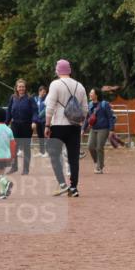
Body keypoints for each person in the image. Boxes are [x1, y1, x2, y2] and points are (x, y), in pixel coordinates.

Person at [44, 59, 87, 197]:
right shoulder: (80, 86)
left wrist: (47, 125)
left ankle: (62, 184)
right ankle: (73, 188)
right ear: (69, 70)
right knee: (73, 158)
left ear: (57, 71)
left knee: (54, 155)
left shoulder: (55, 84)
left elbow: (50, 107)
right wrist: (80, 123)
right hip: (74, 126)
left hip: (58, 125)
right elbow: (85, 109)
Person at [6, 78, 35, 175]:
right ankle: (14, 167)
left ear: (25, 88)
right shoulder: (13, 97)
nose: (21, 88)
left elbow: (35, 111)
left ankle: (26, 169)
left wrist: (34, 121)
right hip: (15, 125)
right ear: (16, 88)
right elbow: (9, 111)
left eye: (23, 87)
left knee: (26, 147)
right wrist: (5, 124)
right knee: (14, 147)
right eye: (19, 87)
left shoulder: (30, 98)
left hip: (27, 125)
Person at [86, 89, 115, 173]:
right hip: (93, 128)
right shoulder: (90, 104)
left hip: (103, 128)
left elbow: (110, 117)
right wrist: (83, 129)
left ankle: (99, 167)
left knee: (99, 147)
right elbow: (88, 117)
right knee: (90, 146)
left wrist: (111, 129)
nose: (90, 94)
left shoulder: (104, 104)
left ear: (96, 95)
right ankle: (98, 162)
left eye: (91, 93)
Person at [34, 85, 48, 155]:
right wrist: (35, 117)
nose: (44, 93)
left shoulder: (47, 99)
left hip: (44, 120)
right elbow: (34, 108)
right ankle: (41, 151)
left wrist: (38, 116)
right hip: (38, 121)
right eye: (43, 92)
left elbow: (46, 109)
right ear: (39, 92)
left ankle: (47, 151)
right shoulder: (35, 99)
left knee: (45, 136)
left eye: (45, 92)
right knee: (40, 136)